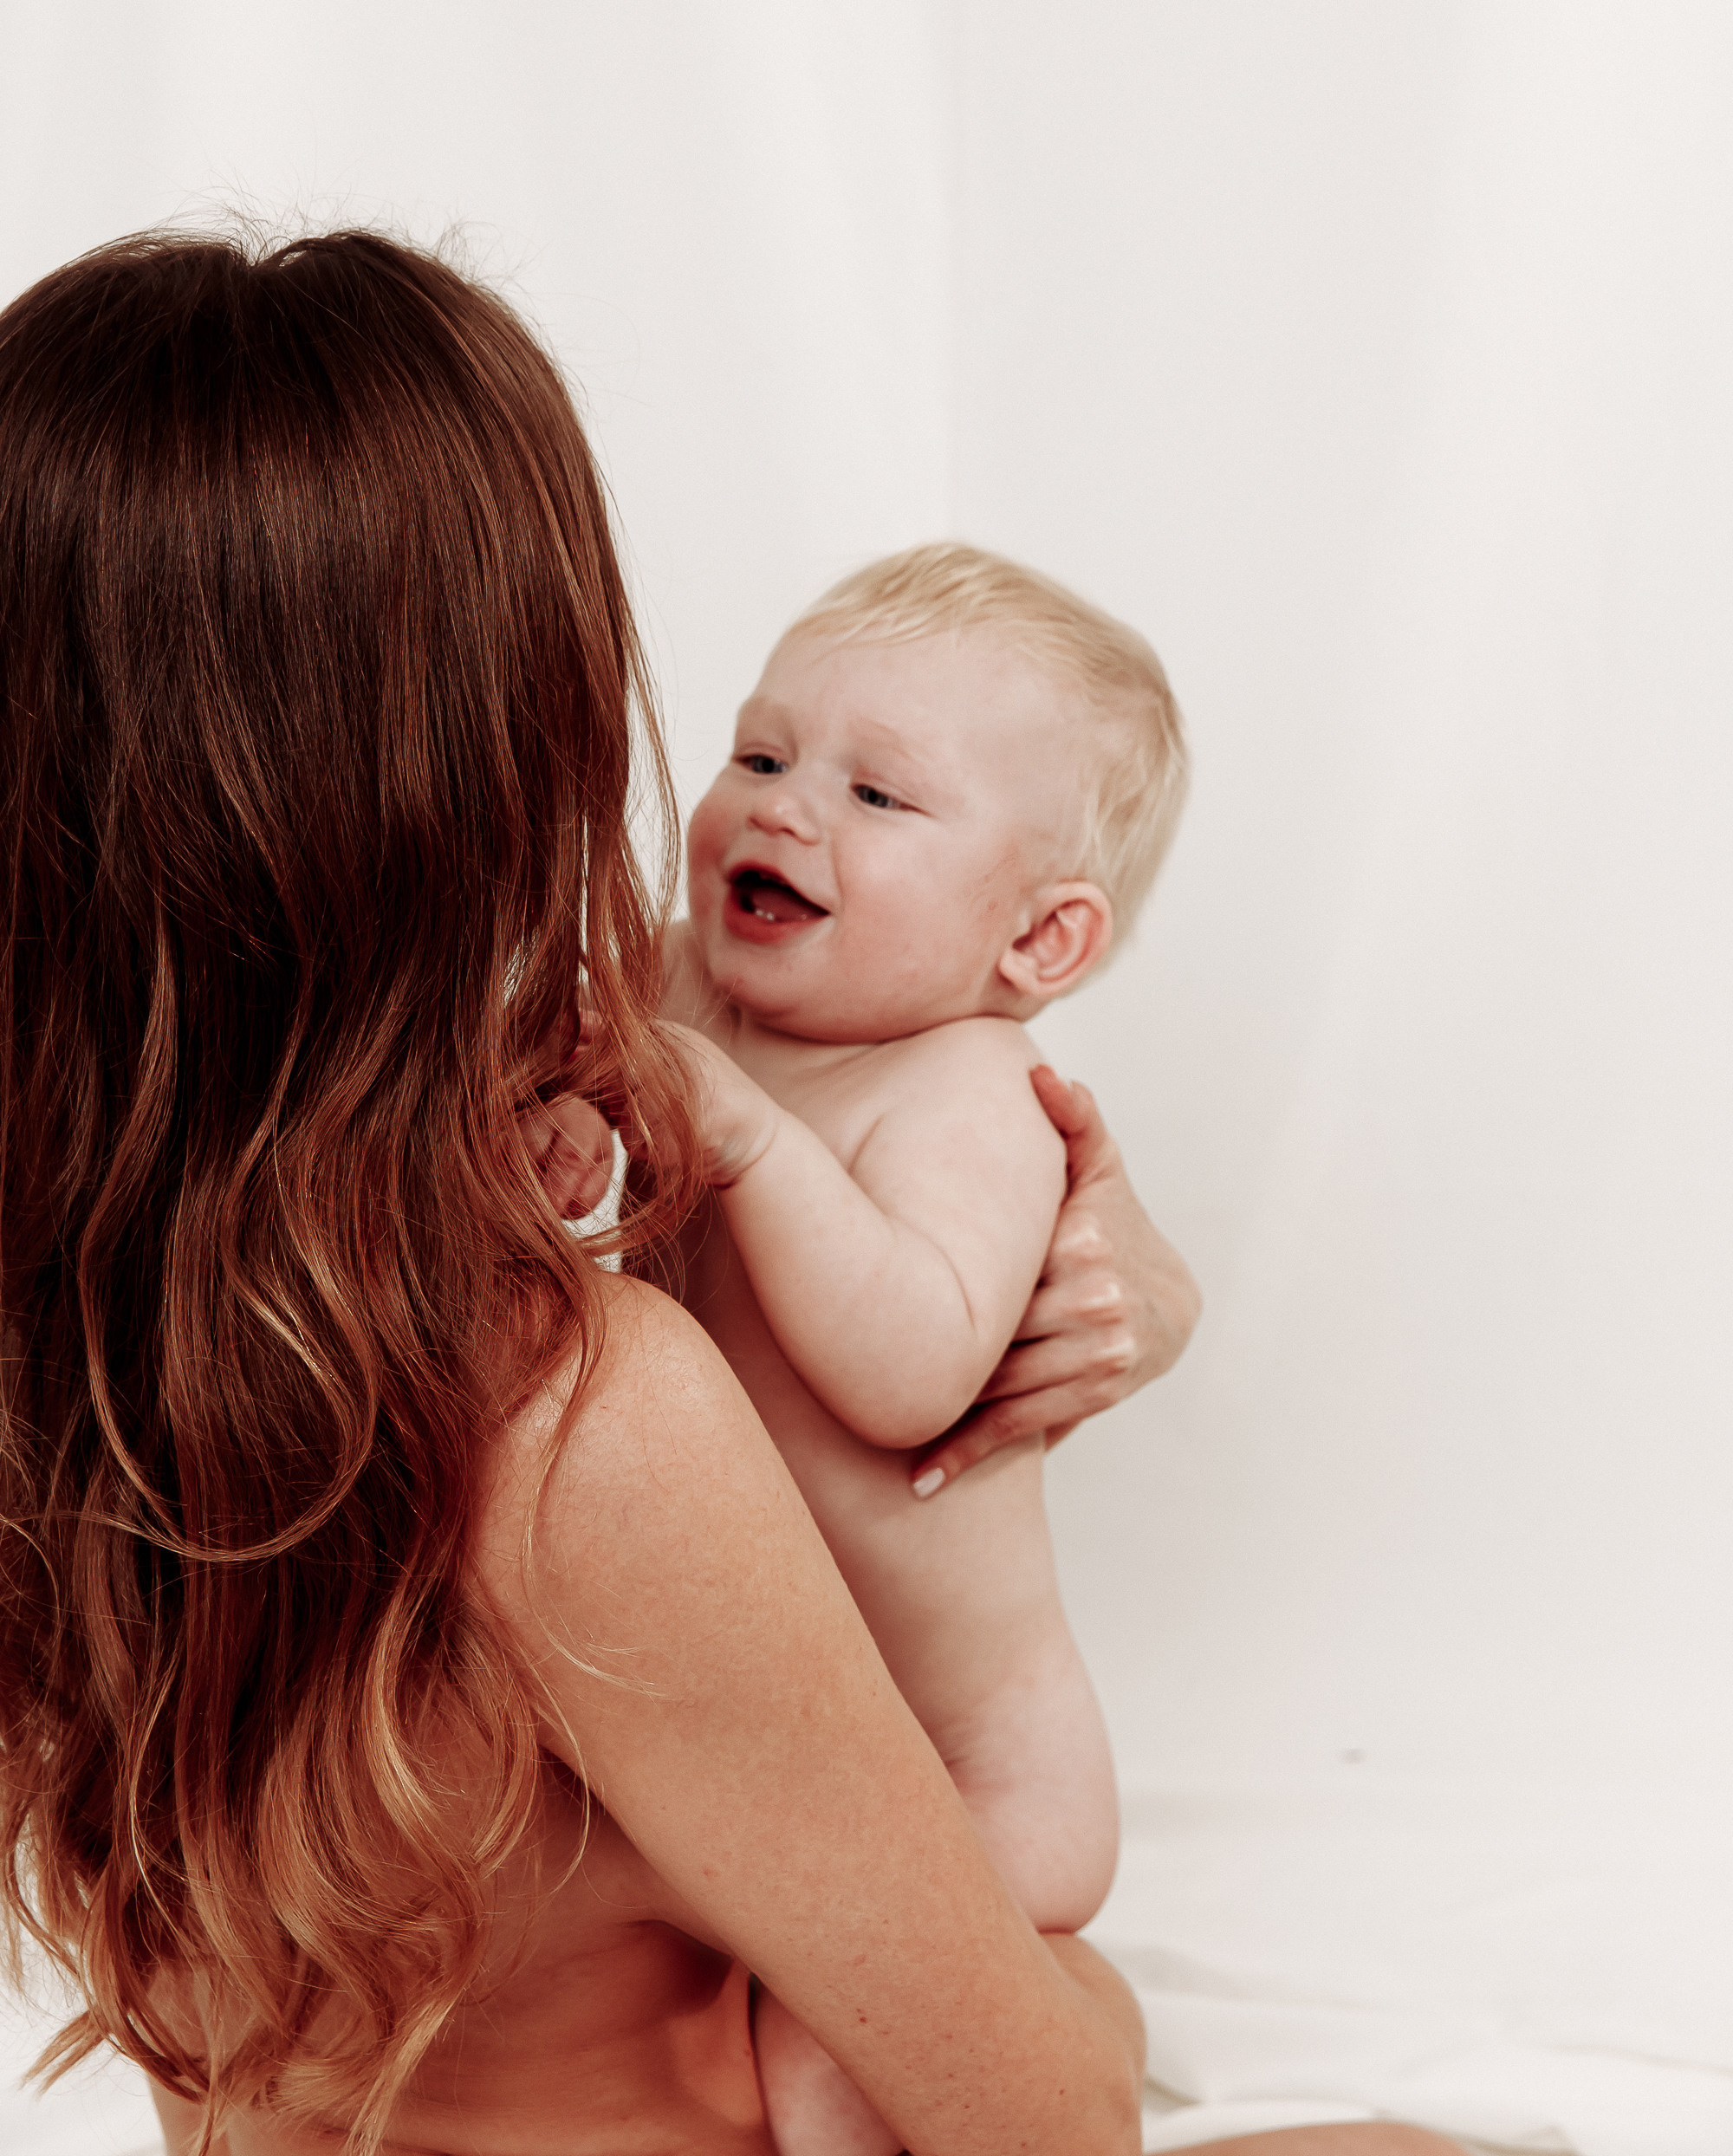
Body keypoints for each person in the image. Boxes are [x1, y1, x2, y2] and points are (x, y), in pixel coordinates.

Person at [0, 227, 1462, 2156]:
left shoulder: (90, 1315)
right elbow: (1040, 2129)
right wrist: (1082, 2017)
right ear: (490, 746)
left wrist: (1113, 1277)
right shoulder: (570, 1421)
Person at [623, 545, 1180, 2152]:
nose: (784, 809)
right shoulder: (676, 989)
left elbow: (913, 1376)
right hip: (770, 1758)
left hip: (968, 1778)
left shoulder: (972, 1096)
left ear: (1038, 945)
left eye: (881, 798)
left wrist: (737, 1136)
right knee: (696, 2045)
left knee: (826, 2052)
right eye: (763, 753)